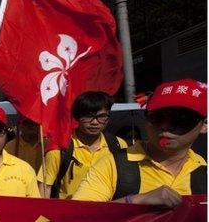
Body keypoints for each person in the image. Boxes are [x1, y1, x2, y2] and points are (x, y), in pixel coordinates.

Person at [73, 79, 207, 207]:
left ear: (204, 125)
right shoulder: (112, 165)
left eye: (181, 119)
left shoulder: (203, 170)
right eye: (158, 117)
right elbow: (78, 217)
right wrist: (135, 200)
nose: (166, 126)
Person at [38, 91, 127, 199]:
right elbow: (45, 188)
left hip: (106, 212)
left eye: (101, 116)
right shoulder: (60, 148)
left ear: (108, 118)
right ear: (76, 117)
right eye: (88, 116)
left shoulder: (118, 145)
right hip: (69, 213)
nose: (95, 122)